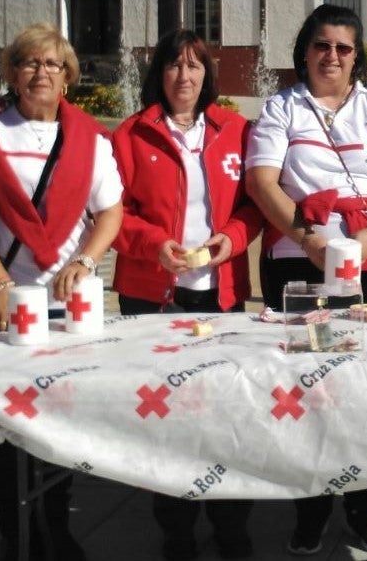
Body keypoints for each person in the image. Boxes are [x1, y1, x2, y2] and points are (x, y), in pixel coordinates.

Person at [0, 23, 123, 561]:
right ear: (11, 73)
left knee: (63, 417)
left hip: (69, 307)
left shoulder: (90, 139)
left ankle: (54, 522)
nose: (41, 72)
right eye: (29, 63)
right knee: (7, 421)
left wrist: (87, 260)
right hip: (12, 303)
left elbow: (110, 212)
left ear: (68, 77)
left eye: (52, 64)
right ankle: (12, 527)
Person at [245, 4, 367, 556]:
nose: (333, 57)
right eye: (322, 46)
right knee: (310, 389)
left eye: (344, 48)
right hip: (301, 264)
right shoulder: (282, 108)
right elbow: (262, 181)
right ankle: (311, 510)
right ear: (305, 51)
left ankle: (366, 511)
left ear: (356, 56)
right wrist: (310, 239)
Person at [111, 29, 261, 561]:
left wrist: (232, 238)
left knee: (224, 412)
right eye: (174, 66)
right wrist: (152, 244)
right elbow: (111, 215)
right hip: (152, 295)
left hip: (218, 294)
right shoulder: (130, 135)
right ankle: (175, 530)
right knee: (166, 417)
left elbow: (253, 205)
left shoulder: (237, 130)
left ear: (207, 74)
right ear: (160, 73)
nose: (184, 76)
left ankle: (230, 526)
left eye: (195, 66)